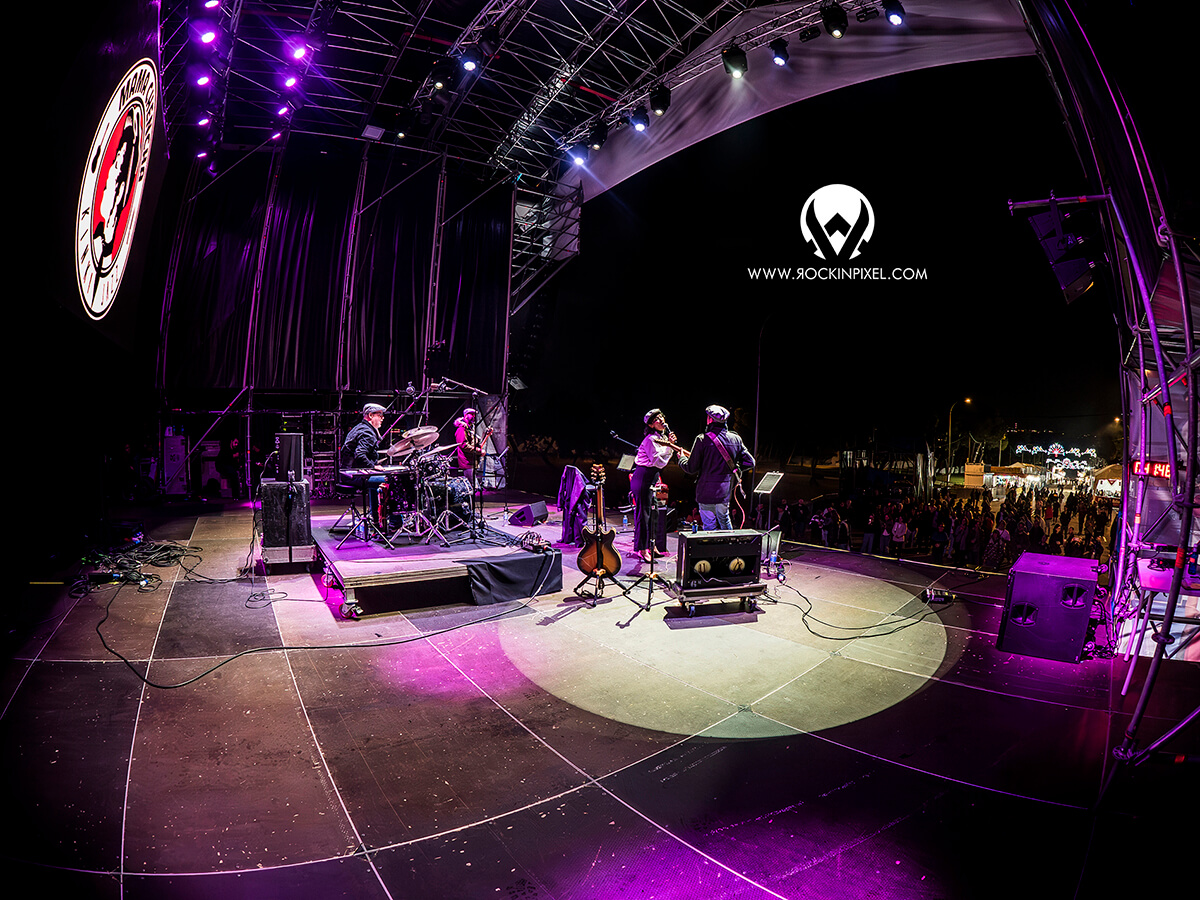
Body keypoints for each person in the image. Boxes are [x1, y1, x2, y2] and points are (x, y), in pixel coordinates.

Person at [678, 405, 754, 531]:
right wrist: (735, 468)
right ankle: (729, 544)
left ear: (710, 419)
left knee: (709, 526)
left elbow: (690, 468)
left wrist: (681, 459)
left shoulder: (702, 439)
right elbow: (750, 462)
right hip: (724, 491)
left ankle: (712, 545)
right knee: (725, 520)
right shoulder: (735, 439)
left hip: (706, 492)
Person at [630, 408, 679, 563]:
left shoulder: (661, 437)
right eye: (657, 419)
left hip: (652, 478)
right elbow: (658, 462)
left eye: (661, 416)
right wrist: (670, 447)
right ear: (651, 425)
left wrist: (670, 445)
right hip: (643, 477)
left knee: (654, 513)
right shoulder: (650, 439)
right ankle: (642, 549)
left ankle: (652, 546)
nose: (661, 420)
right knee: (643, 515)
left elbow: (663, 458)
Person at [341, 403, 388, 521]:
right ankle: (395, 523)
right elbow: (360, 455)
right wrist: (373, 466)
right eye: (380, 415)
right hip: (354, 475)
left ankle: (375, 517)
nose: (382, 418)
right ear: (370, 415)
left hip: (346, 473)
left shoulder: (360, 427)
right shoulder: (367, 433)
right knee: (389, 481)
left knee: (376, 480)